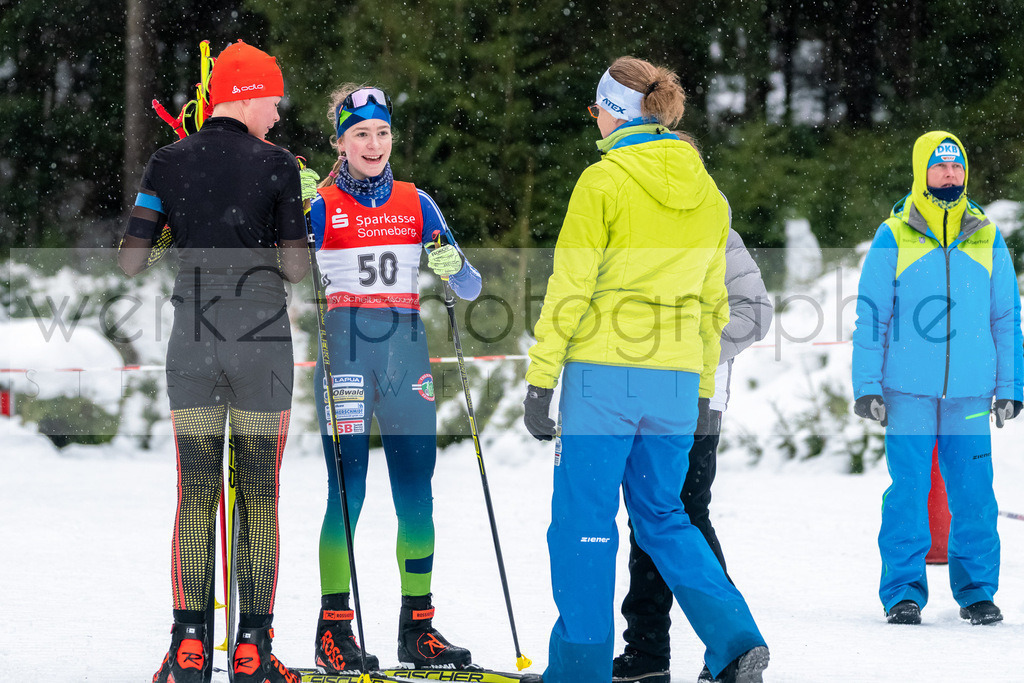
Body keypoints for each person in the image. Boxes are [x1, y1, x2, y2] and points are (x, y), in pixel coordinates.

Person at [522, 57, 769, 683]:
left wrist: (542, 375)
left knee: (584, 518)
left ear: (618, 112)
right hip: (678, 382)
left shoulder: (602, 182)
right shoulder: (709, 194)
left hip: (605, 374)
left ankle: (579, 667)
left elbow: (570, 286)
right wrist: (701, 387)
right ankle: (736, 639)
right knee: (663, 516)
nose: (593, 119)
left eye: (597, 107)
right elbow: (716, 304)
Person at [118, 41, 308, 683]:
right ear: (249, 97)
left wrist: (173, 222)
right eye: (274, 104)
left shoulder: (167, 161)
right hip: (263, 346)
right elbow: (295, 266)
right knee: (259, 499)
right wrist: (289, 206)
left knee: (195, 497)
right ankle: (252, 651)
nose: (278, 117)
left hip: (193, 345)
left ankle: (189, 650)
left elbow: (131, 258)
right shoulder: (281, 164)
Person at [308, 84, 482, 673]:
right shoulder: (320, 205)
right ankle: (333, 630)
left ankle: (418, 628)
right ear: (340, 142)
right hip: (346, 357)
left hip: (407, 358)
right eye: (360, 134)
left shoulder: (417, 202)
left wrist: (452, 265)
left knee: (417, 494)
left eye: (382, 133)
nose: (373, 144)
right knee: (347, 492)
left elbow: (470, 287)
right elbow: (275, 268)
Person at [852, 131, 1023, 626]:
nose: (949, 173)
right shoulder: (894, 233)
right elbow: (871, 317)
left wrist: (1011, 387)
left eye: (956, 166)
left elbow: (1005, 317)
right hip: (907, 391)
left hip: (970, 391)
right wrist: (867, 385)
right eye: (939, 165)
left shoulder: (987, 234)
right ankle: (903, 592)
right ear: (920, 170)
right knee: (907, 491)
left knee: (974, 493)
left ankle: (976, 592)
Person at [613, 212, 774, 683]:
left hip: (697, 397)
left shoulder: (717, 228)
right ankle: (646, 651)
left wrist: (689, 353)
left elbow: (755, 313)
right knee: (647, 517)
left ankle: (730, 651)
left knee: (683, 515)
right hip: (632, 393)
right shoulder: (632, 223)